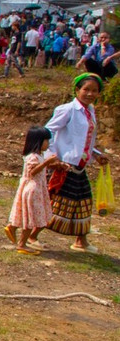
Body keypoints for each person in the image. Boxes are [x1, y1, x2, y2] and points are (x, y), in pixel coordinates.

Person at [43, 73, 110, 252]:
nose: (89, 94)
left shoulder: (90, 111)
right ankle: (32, 236)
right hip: (64, 164)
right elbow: (48, 132)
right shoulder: (67, 110)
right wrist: (51, 156)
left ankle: (81, 241)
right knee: (56, 203)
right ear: (77, 90)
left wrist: (96, 154)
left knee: (84, 203)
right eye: (86, 89)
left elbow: (84, 139)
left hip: (79, 165)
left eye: (94, 91)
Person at [7, 126, 62, 254]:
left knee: (31, 215)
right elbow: (33, 171)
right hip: (33, 190)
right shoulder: (33, 157)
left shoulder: (39, 156)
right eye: (46, 141)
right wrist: (47, 162)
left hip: (36, 189)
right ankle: (22, 244)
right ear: (38, 141)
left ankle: (13, 228)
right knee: (32, 218)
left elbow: (40, 168)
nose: (48, 144)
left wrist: (55, 164)